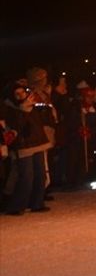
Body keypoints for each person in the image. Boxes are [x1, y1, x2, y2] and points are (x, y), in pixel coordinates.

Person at [3, 71, 54, 215]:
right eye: (17, 94)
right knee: (26, 177)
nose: (21, 96)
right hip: (23, 146)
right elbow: (16, 126)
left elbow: (40, 122)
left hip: (38, 142)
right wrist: (23, 110)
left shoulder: (32, 105)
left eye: (22, 93)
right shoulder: (11, 109)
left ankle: (36, 203)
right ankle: (16, 206)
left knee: (40, 175)